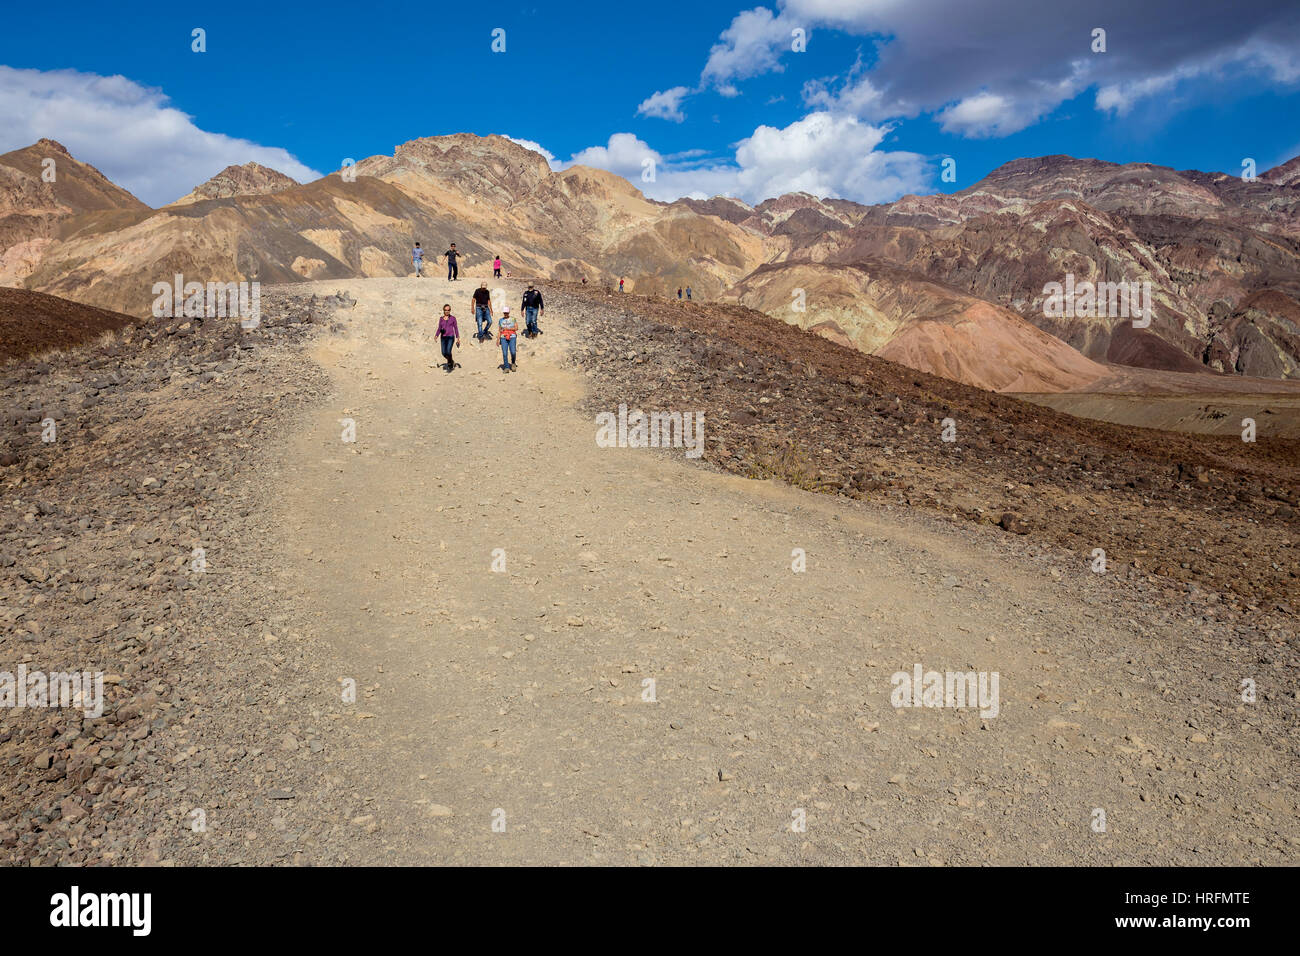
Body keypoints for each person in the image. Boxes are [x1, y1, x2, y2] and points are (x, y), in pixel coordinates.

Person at [436, 304, 460, 369]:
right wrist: (436, 335)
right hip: (443, 337)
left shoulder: (453, 318)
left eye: (448, 310)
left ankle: (450, 364)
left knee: (448, 351)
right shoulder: (441, 319)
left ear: (450, 310)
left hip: (450, 337)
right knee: (443, 352)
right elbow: (439, 328)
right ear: (443, 310)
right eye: (445, 310)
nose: (447, 311)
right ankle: (451, 361)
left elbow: (456, 328)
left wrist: (458, 338)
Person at [498, 306, 518, 371]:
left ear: (509, 312)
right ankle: (506, 367)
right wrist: (498, 339)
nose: (505, 314)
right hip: (503, 337)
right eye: (504, 313)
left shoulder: (513, 319)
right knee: (504, 353)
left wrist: (508, 328)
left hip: (512, 336)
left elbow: (516, 328)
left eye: (506, 313)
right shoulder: (501, 320)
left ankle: (513, 363)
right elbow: (499, 330)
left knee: (513, 352)